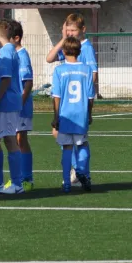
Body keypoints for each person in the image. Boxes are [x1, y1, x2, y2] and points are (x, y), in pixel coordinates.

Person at [46, 13, 98, 185]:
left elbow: (94, 75)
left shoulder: (86, 48)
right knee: (72, 139)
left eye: (73, 30)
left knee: (68, 139)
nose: (70, 33)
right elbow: (50, 58)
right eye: (67, 29)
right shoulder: (69, 47)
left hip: (71, 106)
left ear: (82, 30)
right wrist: (63, 38)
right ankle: (79, 170)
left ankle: (80, 171)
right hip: (76, 108)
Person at [51, 37, 94, 192]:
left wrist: (56, 116)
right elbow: (90, 96)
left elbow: (57, 96)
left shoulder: (59, 70)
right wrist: (89, 114)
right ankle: (82, 172)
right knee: (82, 144)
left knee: (67, 147)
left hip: (65, 114)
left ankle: (67, 183)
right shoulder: (86, 69)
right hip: (81, 113)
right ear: (79, 51)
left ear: (63, 51)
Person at [0, 19, 24, 194]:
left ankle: (17, 184)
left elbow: (6, 79)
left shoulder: (5, 53)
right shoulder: (6, 50)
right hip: (1, 105)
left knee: (10, 140)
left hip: (6, 104)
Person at [9, 20, 34, 191]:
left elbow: (28, 83)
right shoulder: (10, 54)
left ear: (16, 38)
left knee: (20, 139)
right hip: (11, 106)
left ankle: (27, 178)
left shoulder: (22, 55)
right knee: (12, 140)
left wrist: (20, 103)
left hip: (21, 107)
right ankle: (16, 178)